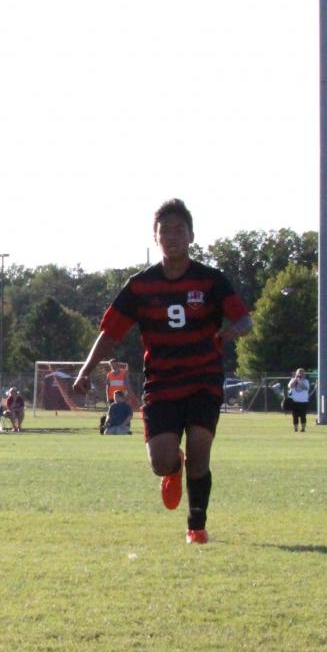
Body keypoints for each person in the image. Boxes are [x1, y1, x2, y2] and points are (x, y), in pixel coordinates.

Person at [72, 199, 251, 544]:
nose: (172, 236)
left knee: (202, 450)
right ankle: (173, 468)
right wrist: (85, 371)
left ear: (191, 235)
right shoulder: (140, 286)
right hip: (162, 384)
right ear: (155, 238)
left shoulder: (211, 280)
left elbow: (245, 318)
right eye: (164, 230)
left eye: (178, 229)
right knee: (161, 461)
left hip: (203, 380)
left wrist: (237, 329)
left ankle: (196, 526)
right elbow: (110, 334)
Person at [286, 367, 311, 432]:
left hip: (304, 401)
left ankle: (303, 429)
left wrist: (301, 381)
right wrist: (296, 379)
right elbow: (290, 386)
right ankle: (296, 429)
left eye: (302, 373)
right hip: (294, 401)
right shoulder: (292, 380)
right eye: (299, 373)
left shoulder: (306, 381)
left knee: (303, 416)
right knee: (295, 416)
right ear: (296, 374)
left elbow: (306, 388)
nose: (300, 375)